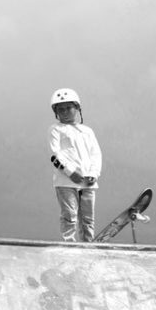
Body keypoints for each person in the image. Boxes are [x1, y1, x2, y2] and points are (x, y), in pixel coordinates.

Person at [48, 88, 102, 242]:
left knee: (88, 219)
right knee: (69, 216)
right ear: (56, 112)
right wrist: (70, 173)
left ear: (77, 108)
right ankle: (69, 245)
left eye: (68, 108)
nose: (65, 112)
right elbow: (55, 155)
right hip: (66, 181)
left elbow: (96, 154)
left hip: (87, 182)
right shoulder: (55, 129)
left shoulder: (87, 131)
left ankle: (88, 245)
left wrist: (93, 173)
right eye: (61, 109)